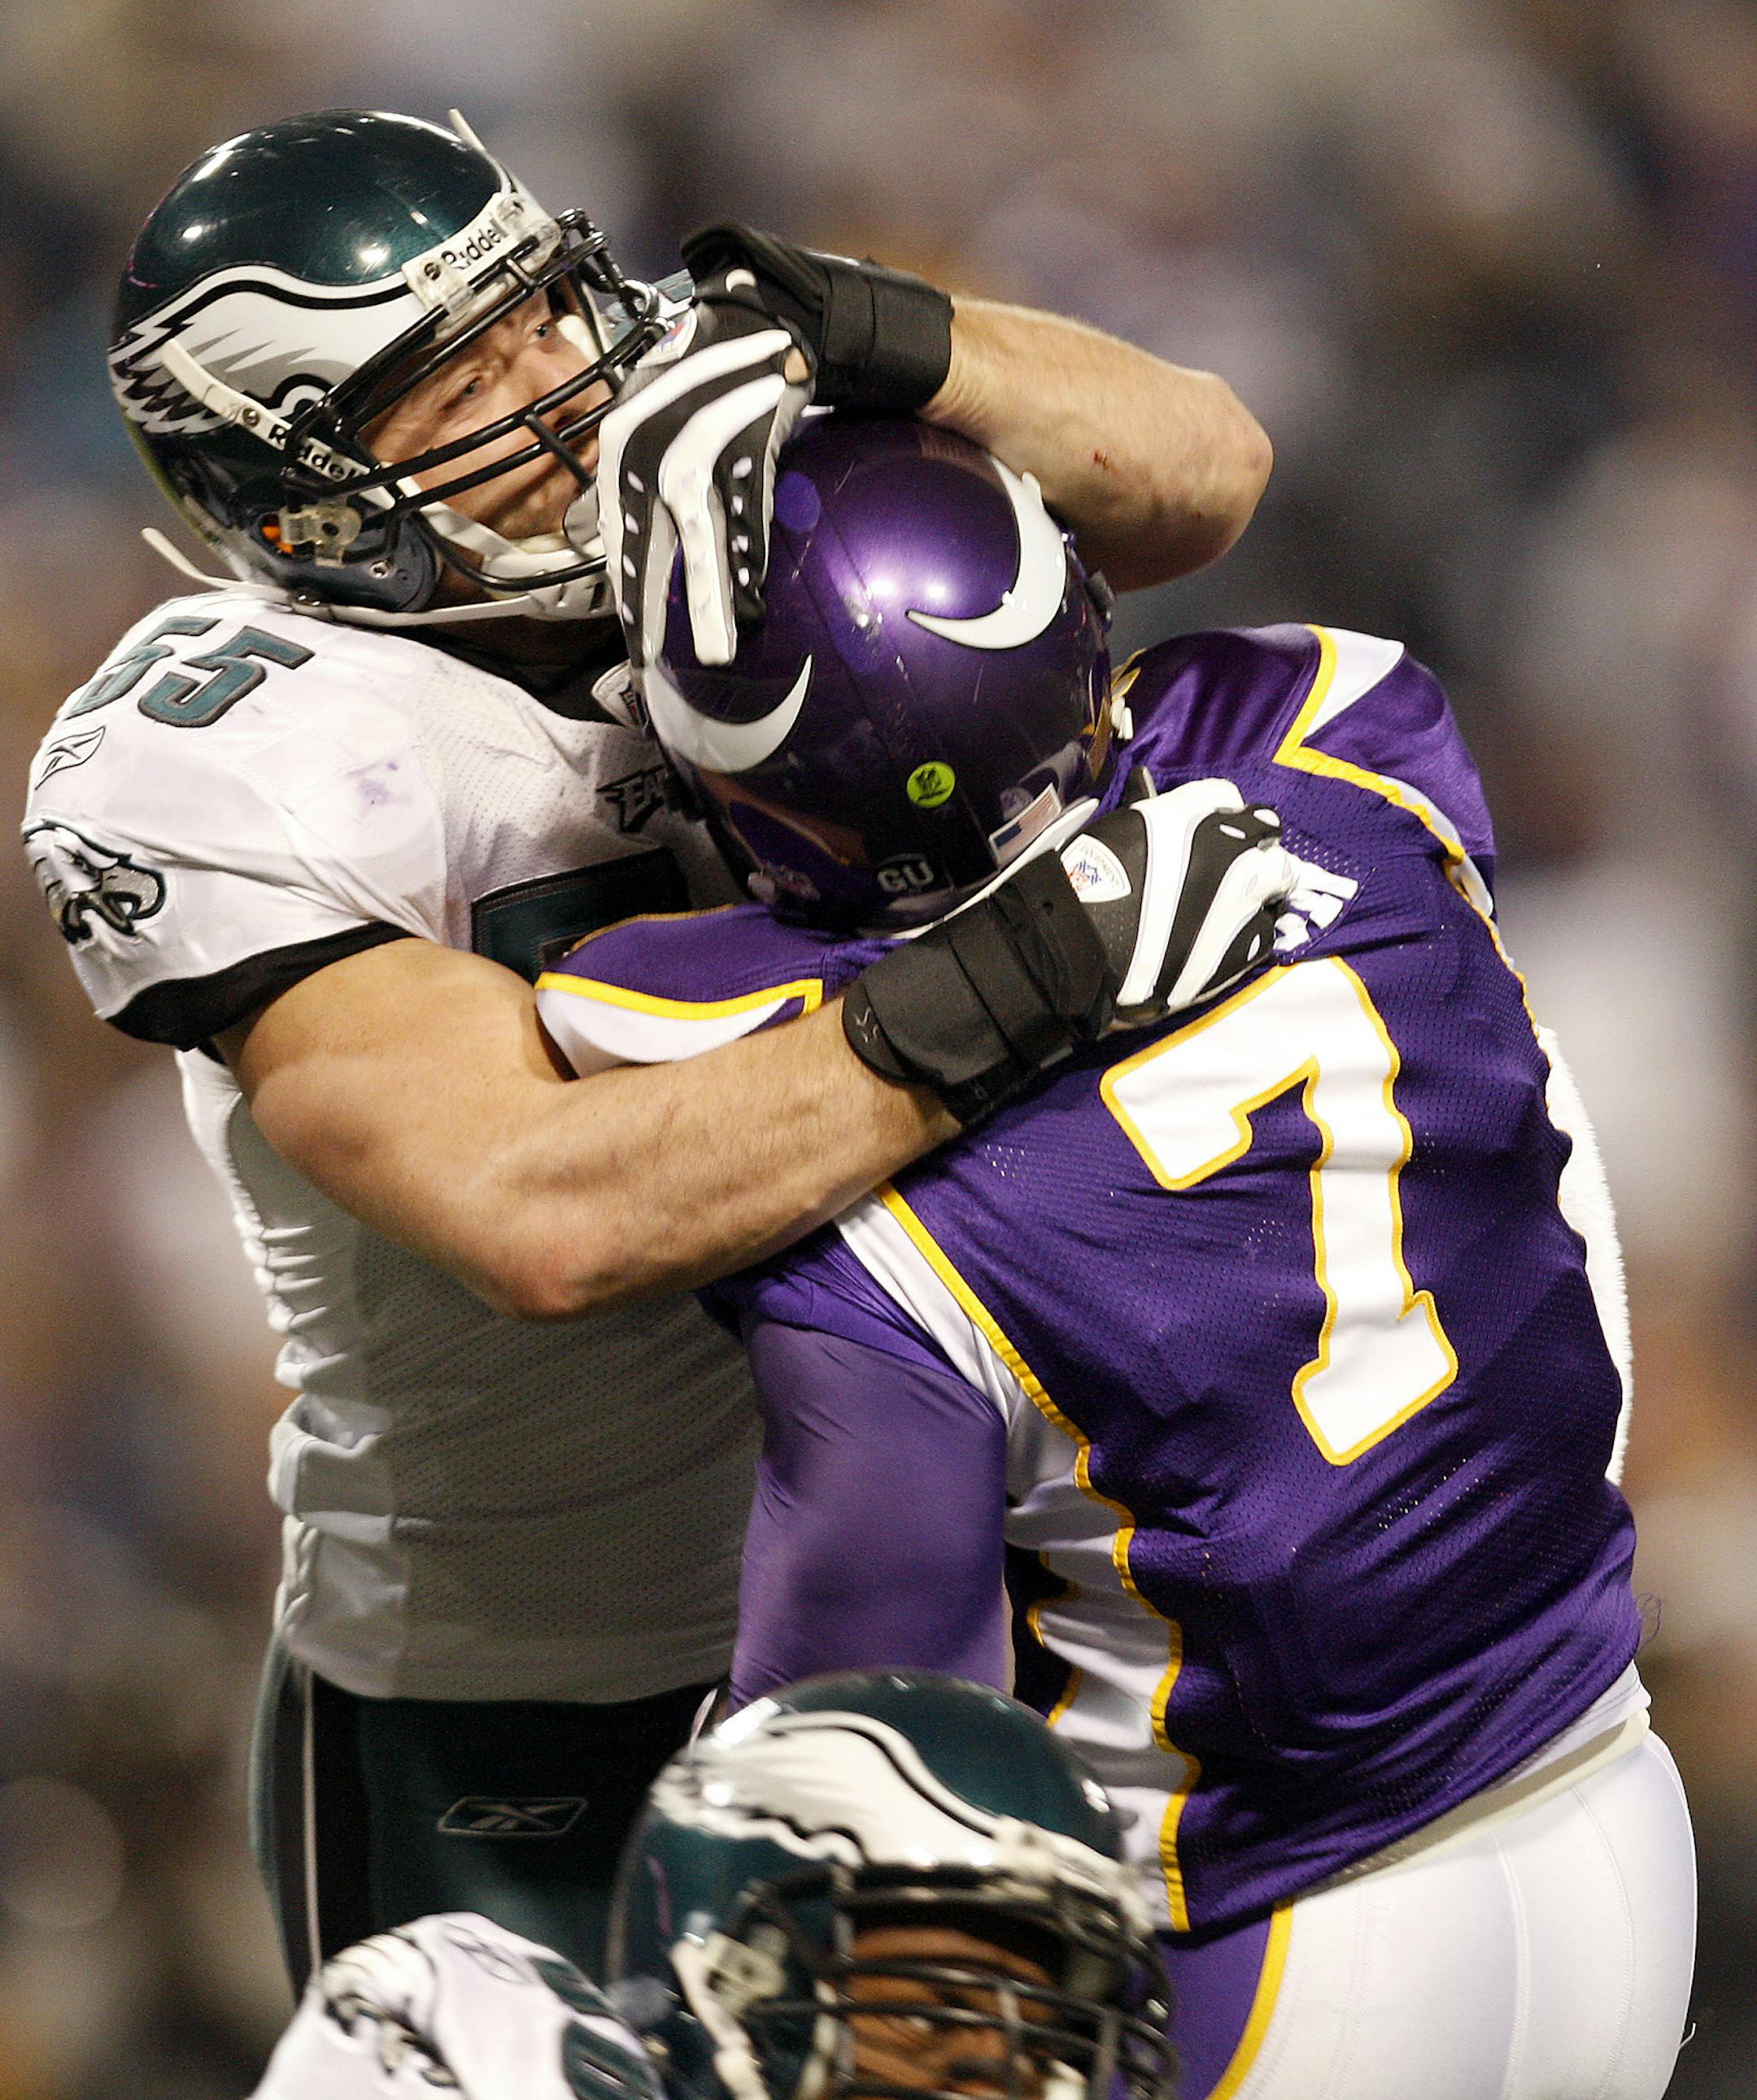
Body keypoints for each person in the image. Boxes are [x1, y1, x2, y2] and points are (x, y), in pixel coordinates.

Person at [19, 109, 1280, 1985]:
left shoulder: (716, 442)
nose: (561, 380)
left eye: (542, 306)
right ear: (298, 496)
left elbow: (1200, 472)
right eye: (456, 371)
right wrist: (1025, 976)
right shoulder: (233, 748)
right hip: (532, 1690)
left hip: (944, 1563)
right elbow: (541, 1215)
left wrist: (876, 334)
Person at [536, 416, 1698, 2100]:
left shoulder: (859, 1208)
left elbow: (863, 1765)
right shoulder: (1363, 760)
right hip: (1608, 1789)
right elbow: (1211, 574)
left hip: (1270, 1941)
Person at [250, 1671, 1177, 2100]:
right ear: (729, 1976)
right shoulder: (488, 2045)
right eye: (934, 2018)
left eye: (1042, 2037)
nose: (997, 2089)